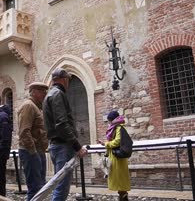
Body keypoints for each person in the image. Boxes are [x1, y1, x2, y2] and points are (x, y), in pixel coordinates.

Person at [43, 68, 88, 201]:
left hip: (56, 145)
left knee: (60, 185)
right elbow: (62, 124)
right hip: (62, 146)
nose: (68, 82)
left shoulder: (50, 94)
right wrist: (77, 147)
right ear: (64, 79)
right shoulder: (58, 94)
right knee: (62, 187)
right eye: (68, 79)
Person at [18, 82, 49, 200]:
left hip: (37, 151)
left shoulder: (36, 107)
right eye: (42, 92)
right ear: (34, 92)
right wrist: (33, 151)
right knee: (35, 188)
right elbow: (24, 131)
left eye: (45, 92)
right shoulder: (29, 106)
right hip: (31, 151)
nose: (45, 94)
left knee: (40, 187)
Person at [98, 111, 131, 201]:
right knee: (117, 178)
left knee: (120, 178)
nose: (109, 122)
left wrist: (106, 144)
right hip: (114, 156)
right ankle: (122, 195)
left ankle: (123, 196)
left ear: (113, 119)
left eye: (110, 120)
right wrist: (105, 144)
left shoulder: (119, 127)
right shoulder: (115, 127)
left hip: (118, 157)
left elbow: (117, 141)